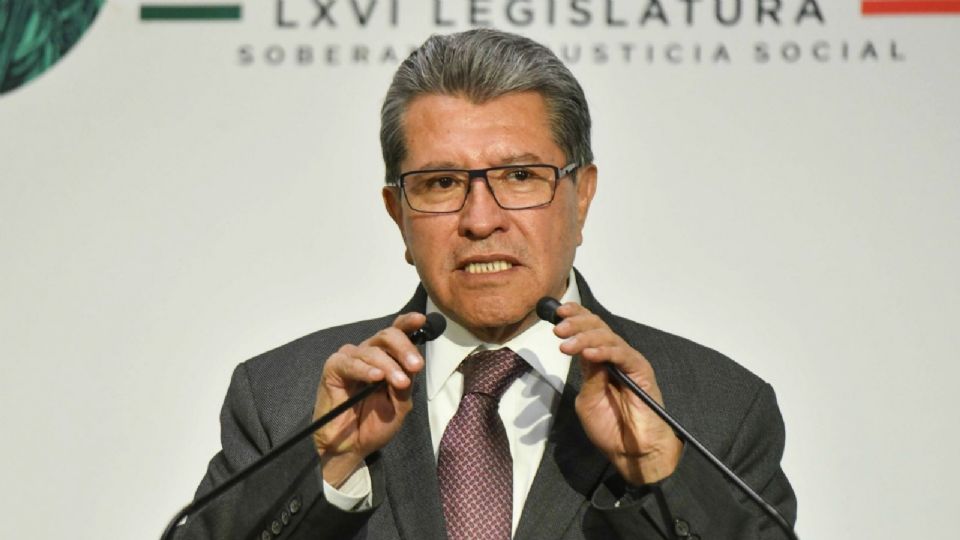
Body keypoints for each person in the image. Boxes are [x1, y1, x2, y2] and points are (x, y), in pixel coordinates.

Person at [185, 28, 797, 540]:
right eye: (441, 184)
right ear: (398, 214)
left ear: (582, 196)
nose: (481, 220)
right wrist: (328, 464)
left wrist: (659, 472)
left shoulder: (716, 408)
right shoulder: (283, 400)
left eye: (520, 176)